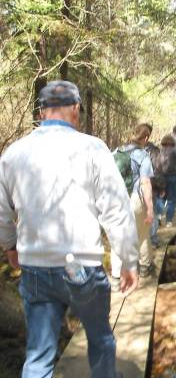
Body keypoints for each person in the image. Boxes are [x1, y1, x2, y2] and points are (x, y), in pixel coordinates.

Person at [0, 80, 138, 378]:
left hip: (35, 267)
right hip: (83, 267)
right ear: (75, 108)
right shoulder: (92, 148)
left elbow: (2, 211)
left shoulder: (13, 154)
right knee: (100, 339)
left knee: (38, 356)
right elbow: (116, 209)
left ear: (41, 112)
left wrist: (10, 247)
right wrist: (128, 260)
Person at [111, 123, 154, 284]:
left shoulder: (116, 151)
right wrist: (150, 209)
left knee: (117, 238)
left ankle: (116, 277)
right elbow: (145, 183)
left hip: (116, 200)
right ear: (146, 137)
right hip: (135, 199)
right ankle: (144, 268)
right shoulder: (143, 155)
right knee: (142, 235)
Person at [144, 124, 166, 249]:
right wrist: (161, 186)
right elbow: (157, 169)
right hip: (150, 186)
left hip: (135, 189)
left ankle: (144, 242)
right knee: (152, 213)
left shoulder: (130, 148)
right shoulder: (153, 150)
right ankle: (152, 241)